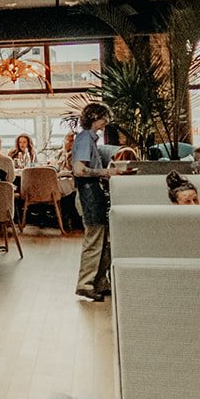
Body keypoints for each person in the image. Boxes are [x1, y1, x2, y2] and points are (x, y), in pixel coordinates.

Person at [72, 103, 128, 302]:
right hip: (89, 194)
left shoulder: (87, 139)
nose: (106, 122)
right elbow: (79, 170)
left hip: (92, 193)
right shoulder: (85, 139)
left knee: (102, 239)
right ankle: (85, 284)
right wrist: (106, 172)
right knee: (95, 240)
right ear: (95, 117)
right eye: (104, 118)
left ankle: (99, 282)